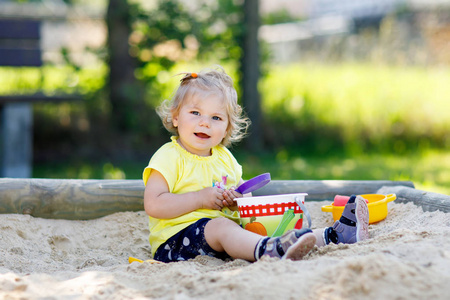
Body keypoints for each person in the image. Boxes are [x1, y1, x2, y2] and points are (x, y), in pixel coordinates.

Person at [142, 66, 369, 263]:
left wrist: (237, 202)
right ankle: (268, 250)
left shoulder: (225, 158)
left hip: (225, 238)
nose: (204, 122)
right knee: (222, 227)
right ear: (175, 117)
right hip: (176, 243)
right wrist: (201, 198)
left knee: (273, 224)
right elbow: (154, 204)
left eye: (216, 118)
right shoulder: (169, 157)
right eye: (195, 112)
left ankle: (333, 236)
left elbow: (245, 198)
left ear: (227, 128)